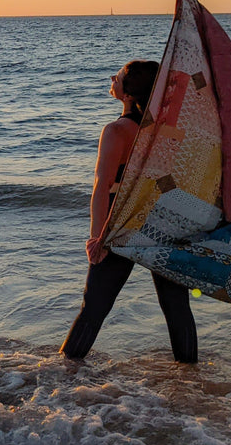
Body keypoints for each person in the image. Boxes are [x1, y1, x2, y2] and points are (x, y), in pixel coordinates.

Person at [60, 60, 198, 363]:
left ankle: (66, 373)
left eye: (118, 77)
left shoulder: (116, 131)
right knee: (176, 307)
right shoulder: (169, 132)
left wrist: (97, 237)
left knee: (95, 306)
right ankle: (191, 380)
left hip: (120, 220)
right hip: (162, 218)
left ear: (128, 93)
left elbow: (102, 187)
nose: (113, 78)